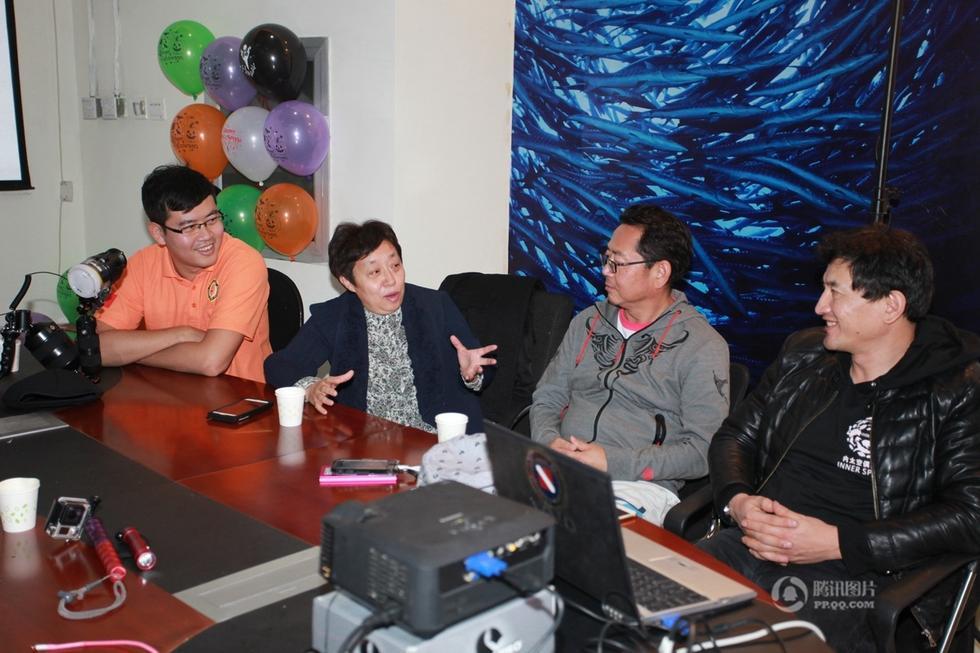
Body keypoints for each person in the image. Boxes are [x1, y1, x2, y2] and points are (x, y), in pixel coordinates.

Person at [702, 225, 980, 651]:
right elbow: (735, 436)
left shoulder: (959, 388)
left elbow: (970, 515)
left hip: (862, 579)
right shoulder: (803, 356)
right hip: (748, 545)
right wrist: (738, 501)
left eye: (835, 292)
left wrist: (839, 543)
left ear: (890, 306)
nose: (820, 306)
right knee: (644, 610)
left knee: (751, 645)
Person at [530, 204, 730, 524]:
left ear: (660, 272)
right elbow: (548, 396)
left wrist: (612, 461)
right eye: (606, 258)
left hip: (638, 486)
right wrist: (548, 441)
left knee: (578, 530)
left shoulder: (702, 346)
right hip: (560, 467)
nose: (605, 271)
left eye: (618, 263)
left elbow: (702, 451)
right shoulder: (588, 322)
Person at [264, 220, 496, 432]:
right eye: (375, 272)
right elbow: (279, 366)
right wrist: (310, 388)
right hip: (362, 443)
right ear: (348, 282)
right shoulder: (334, 316)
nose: (391, 279)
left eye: (395, 265)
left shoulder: (436, 306)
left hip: (433, 439)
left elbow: (481, 364)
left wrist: (472, 374)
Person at [97, 165, 271, 383]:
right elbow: (98, 347)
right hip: (172, 391)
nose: (206, 235)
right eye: (189, 227)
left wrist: (130, 354)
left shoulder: (243, 262)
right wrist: (181, 334)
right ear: (159, 233)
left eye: (212, 220)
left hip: (239, 395)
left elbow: (211, 361)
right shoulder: (143, 264)